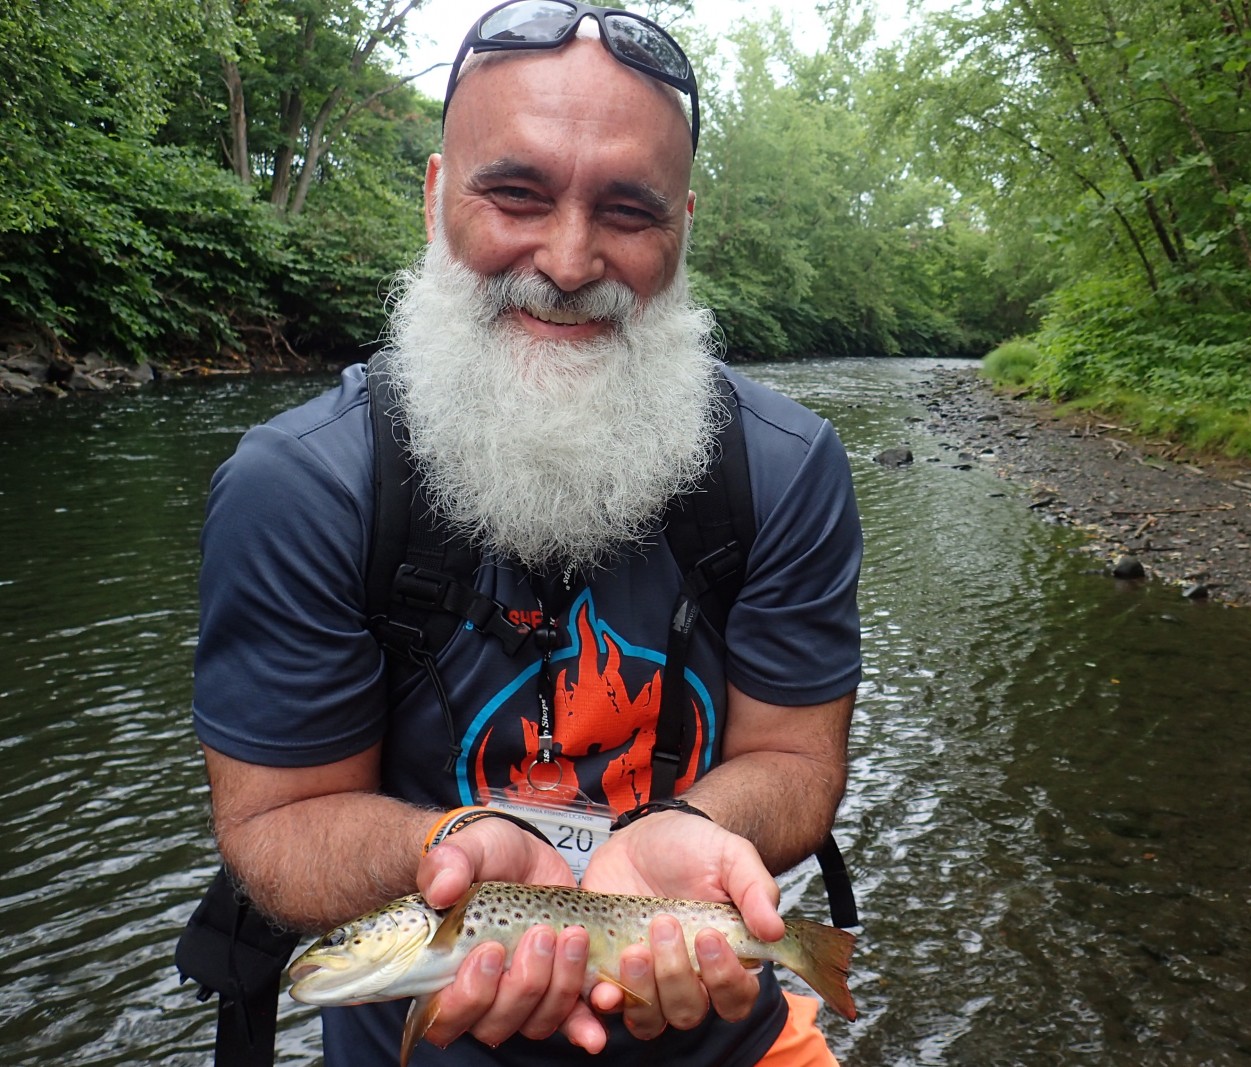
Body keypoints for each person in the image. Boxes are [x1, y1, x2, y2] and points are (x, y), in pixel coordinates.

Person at [189, 2, 862, 1064]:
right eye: (516, 193)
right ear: (432, 196)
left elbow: (793, 755)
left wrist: (694, 827)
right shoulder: (302, 486)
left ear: (683, 227)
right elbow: (273, 824)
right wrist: (450, 848)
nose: (567, 256)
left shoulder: (785, 466)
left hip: (737, 1035)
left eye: (628, 210)